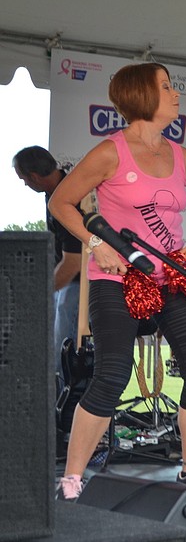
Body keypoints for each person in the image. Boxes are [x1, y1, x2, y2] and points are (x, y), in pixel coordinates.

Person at [48, 62, 186, 502]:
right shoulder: (110, 152)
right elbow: (61, 201)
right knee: (112, 373)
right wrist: (95, 243)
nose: (176, 93)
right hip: (117, 276)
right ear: (141, 96)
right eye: (166, 87)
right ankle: (72, 479)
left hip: (172, 276)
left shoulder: (182, 157)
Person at [13, 146, 82, 388]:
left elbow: (74, 262)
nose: (25, 185)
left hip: (79, 284)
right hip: (67, 283)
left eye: (23, 179)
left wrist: (40, 294)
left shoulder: (69, 196)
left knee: (63, 353)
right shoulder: (53, 193)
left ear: (34, 176)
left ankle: (64, 402)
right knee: (53, 348)